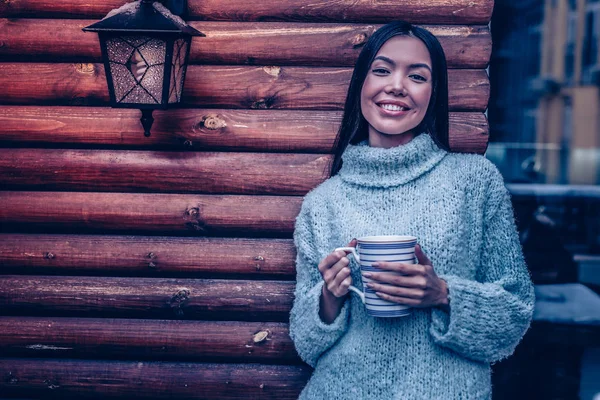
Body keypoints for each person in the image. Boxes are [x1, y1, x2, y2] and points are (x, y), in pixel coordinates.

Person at [289, 21, 535, 399]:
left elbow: (514, 314)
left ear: (433, 94)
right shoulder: (322, 203)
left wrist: (442, 294)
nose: (397, 86)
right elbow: (307, 345)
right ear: (362, 85)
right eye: (382, 70)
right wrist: (329, 297)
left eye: (417, 76)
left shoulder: (474, 180)